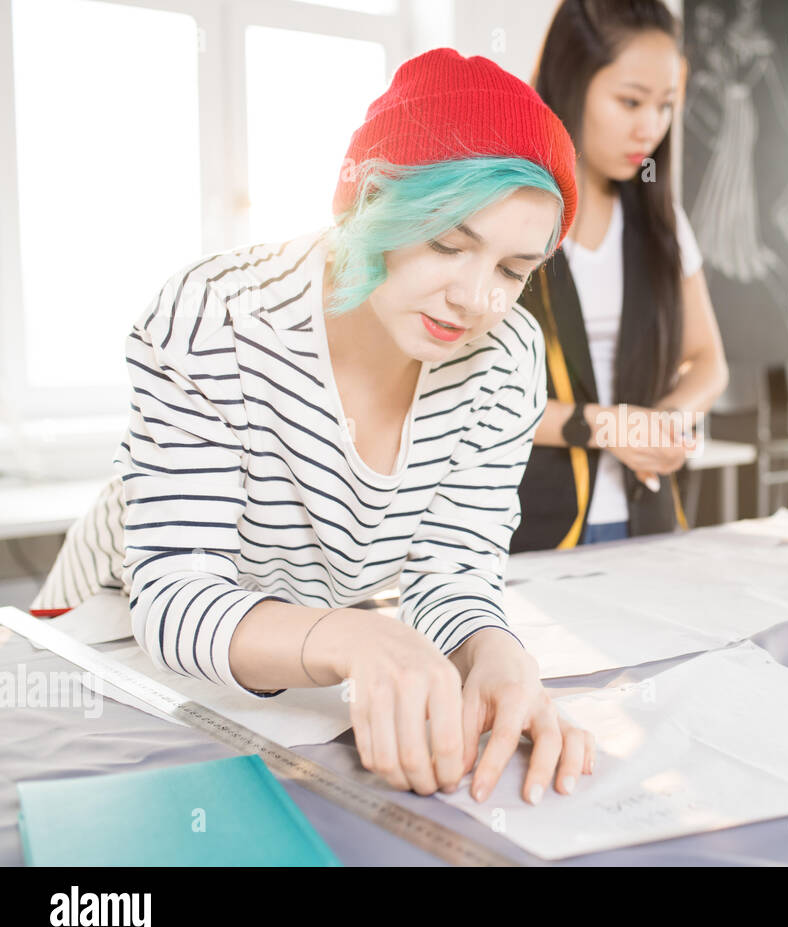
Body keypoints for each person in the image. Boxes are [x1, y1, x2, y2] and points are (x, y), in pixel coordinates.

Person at [30, 48, 594, 803]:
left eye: (511, 269)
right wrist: (358, 638)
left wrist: (492, 654)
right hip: (107, 634)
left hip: (282, 658)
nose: (474, 299)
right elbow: (175, 595)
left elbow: (453, 572)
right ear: (369, 206)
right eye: (447, 244)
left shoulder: (506, 359)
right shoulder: (215, 314)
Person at [511, 0, 730, 551]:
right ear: (571, 81)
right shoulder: (507, 215)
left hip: (647, 524)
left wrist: (661, 423)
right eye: (630, 101)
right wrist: (612, 427)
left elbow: (709, 363)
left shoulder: (659, 220)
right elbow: (476, 399)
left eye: (665, 106)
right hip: (525, 530)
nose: (650, 128)